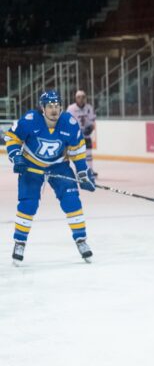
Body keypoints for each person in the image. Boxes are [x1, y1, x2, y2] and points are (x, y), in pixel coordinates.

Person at [4, 89, 95, 265]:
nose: (54, 109)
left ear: (61, 107)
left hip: (58, 165)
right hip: (32, 165)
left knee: (72, 201)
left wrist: (83, 173)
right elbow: (12, 137)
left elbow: (77, 151)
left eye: (57, 105)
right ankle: (20, 242)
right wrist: (16, 156)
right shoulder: (30, 120)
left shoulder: (69, 123)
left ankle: (81, 240)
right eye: (50, 106)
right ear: (42, 108)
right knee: (28, 204)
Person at [66, 90, 97, 176]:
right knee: (78, 154)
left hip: (86, 135)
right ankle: (79, 170)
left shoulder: (89, 108)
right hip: (76, 135)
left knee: (89, 153)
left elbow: (92, 121)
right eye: (79, 97)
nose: (81, 99)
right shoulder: (71, 108)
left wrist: (90, 128)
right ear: (76, 98)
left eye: (83, 97)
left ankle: (90, 170)